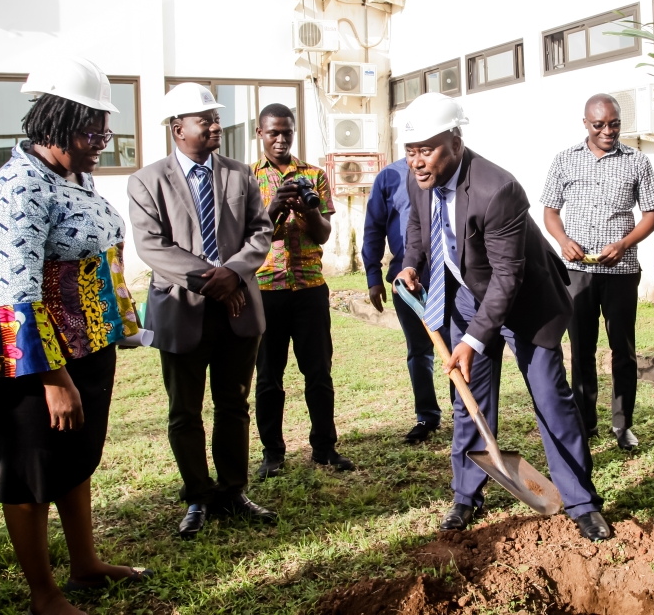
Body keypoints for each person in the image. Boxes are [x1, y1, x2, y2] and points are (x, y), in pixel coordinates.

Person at [0, 56, 149, 615]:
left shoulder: (73, 175)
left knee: (75, 459)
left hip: (87, 347)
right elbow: (14, 293)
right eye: (94, 131)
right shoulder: (16, 190)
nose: (103, 142)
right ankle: (44, 593)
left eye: (105, 130)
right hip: (34, 365)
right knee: (30, 471)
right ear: (57, 121)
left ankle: (86, 564)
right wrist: (55, 380)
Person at [395, 93, 610, 542]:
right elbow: (418, 226)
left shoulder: (498, 189)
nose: (417, 161)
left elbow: (508, 277)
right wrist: (411, 261)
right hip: (469, 297)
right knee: (469, 399)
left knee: (551, 398)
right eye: (410, 150)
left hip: (526, 301)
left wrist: (472, 342)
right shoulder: (420, 178)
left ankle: (582, 502)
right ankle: (466, 496)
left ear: (455, 140)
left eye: (426, 149)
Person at [127, 83, 277, 540]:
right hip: (181, 311)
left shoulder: (240, 175)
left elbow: (261, 231)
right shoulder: (146, 181)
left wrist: (233, 271)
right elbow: (153, 247)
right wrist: (213, 282)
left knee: (233, 406)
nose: (216, 125)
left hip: (238, 312)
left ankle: (233, 491)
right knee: (184, 412)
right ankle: (198, 495)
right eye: (205, 119)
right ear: (178, 129)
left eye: (216, 117)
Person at [541, 94, 654, 450]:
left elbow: (652, 213)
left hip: (621, 271)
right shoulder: (564, 160)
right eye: (600, 125)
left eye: (615, 124)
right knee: (581, 347)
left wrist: (624, 244)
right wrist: (562, 240)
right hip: (576, 271)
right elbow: (550, 210)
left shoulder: (637, 162)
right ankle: (584, 420)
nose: (608, 131)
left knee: (623, 349)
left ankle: (623, 425)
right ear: (585, 124)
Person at [253, 103, 354, 477]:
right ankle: (272, 453)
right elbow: (250, 236)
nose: (280, 140)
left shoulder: (313, 174)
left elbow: (324, 233)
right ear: (260, 133)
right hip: (266, 288)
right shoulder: (248, 178)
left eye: (287, 133)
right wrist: (276, 205)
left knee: (319, 372)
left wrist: (306, 211)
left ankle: (325, 447)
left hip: (310, 287)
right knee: (268, 375)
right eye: (273, 132)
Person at [362, 156, 442, 443]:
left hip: (452, 276)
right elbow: (374, 226)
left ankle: (468, 417)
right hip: (407, 280)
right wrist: (373, 276)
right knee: (419, 351)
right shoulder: (389, 176)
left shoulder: (452, 170)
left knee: (459, 346)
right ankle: (426, 416)